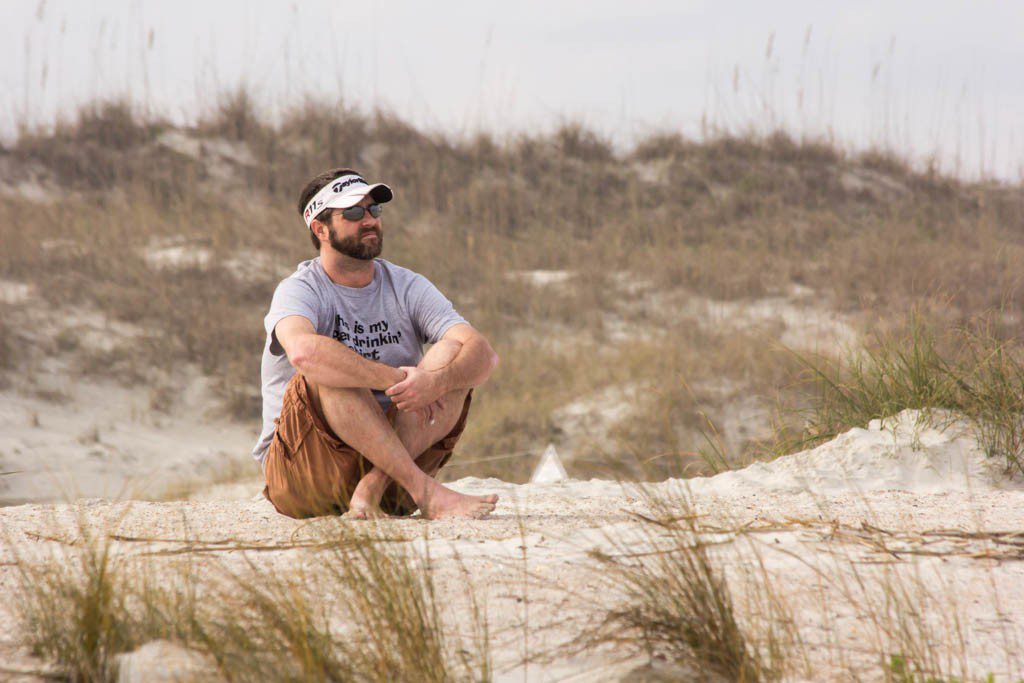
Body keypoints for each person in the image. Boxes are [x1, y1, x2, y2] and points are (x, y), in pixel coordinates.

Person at [251, 167, 499, 520]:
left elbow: (485, 356)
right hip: (307, 472)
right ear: (320, 229)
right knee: (328, 366)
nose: (368, 220)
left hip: (392, 480)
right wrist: (395, 380)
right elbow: (304, 352)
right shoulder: (300, 289)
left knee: (454, 357)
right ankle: (424, 491)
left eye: (373, 210)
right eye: (353, 213)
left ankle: (373, 486)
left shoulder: (406, 284)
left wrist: (436, 382)